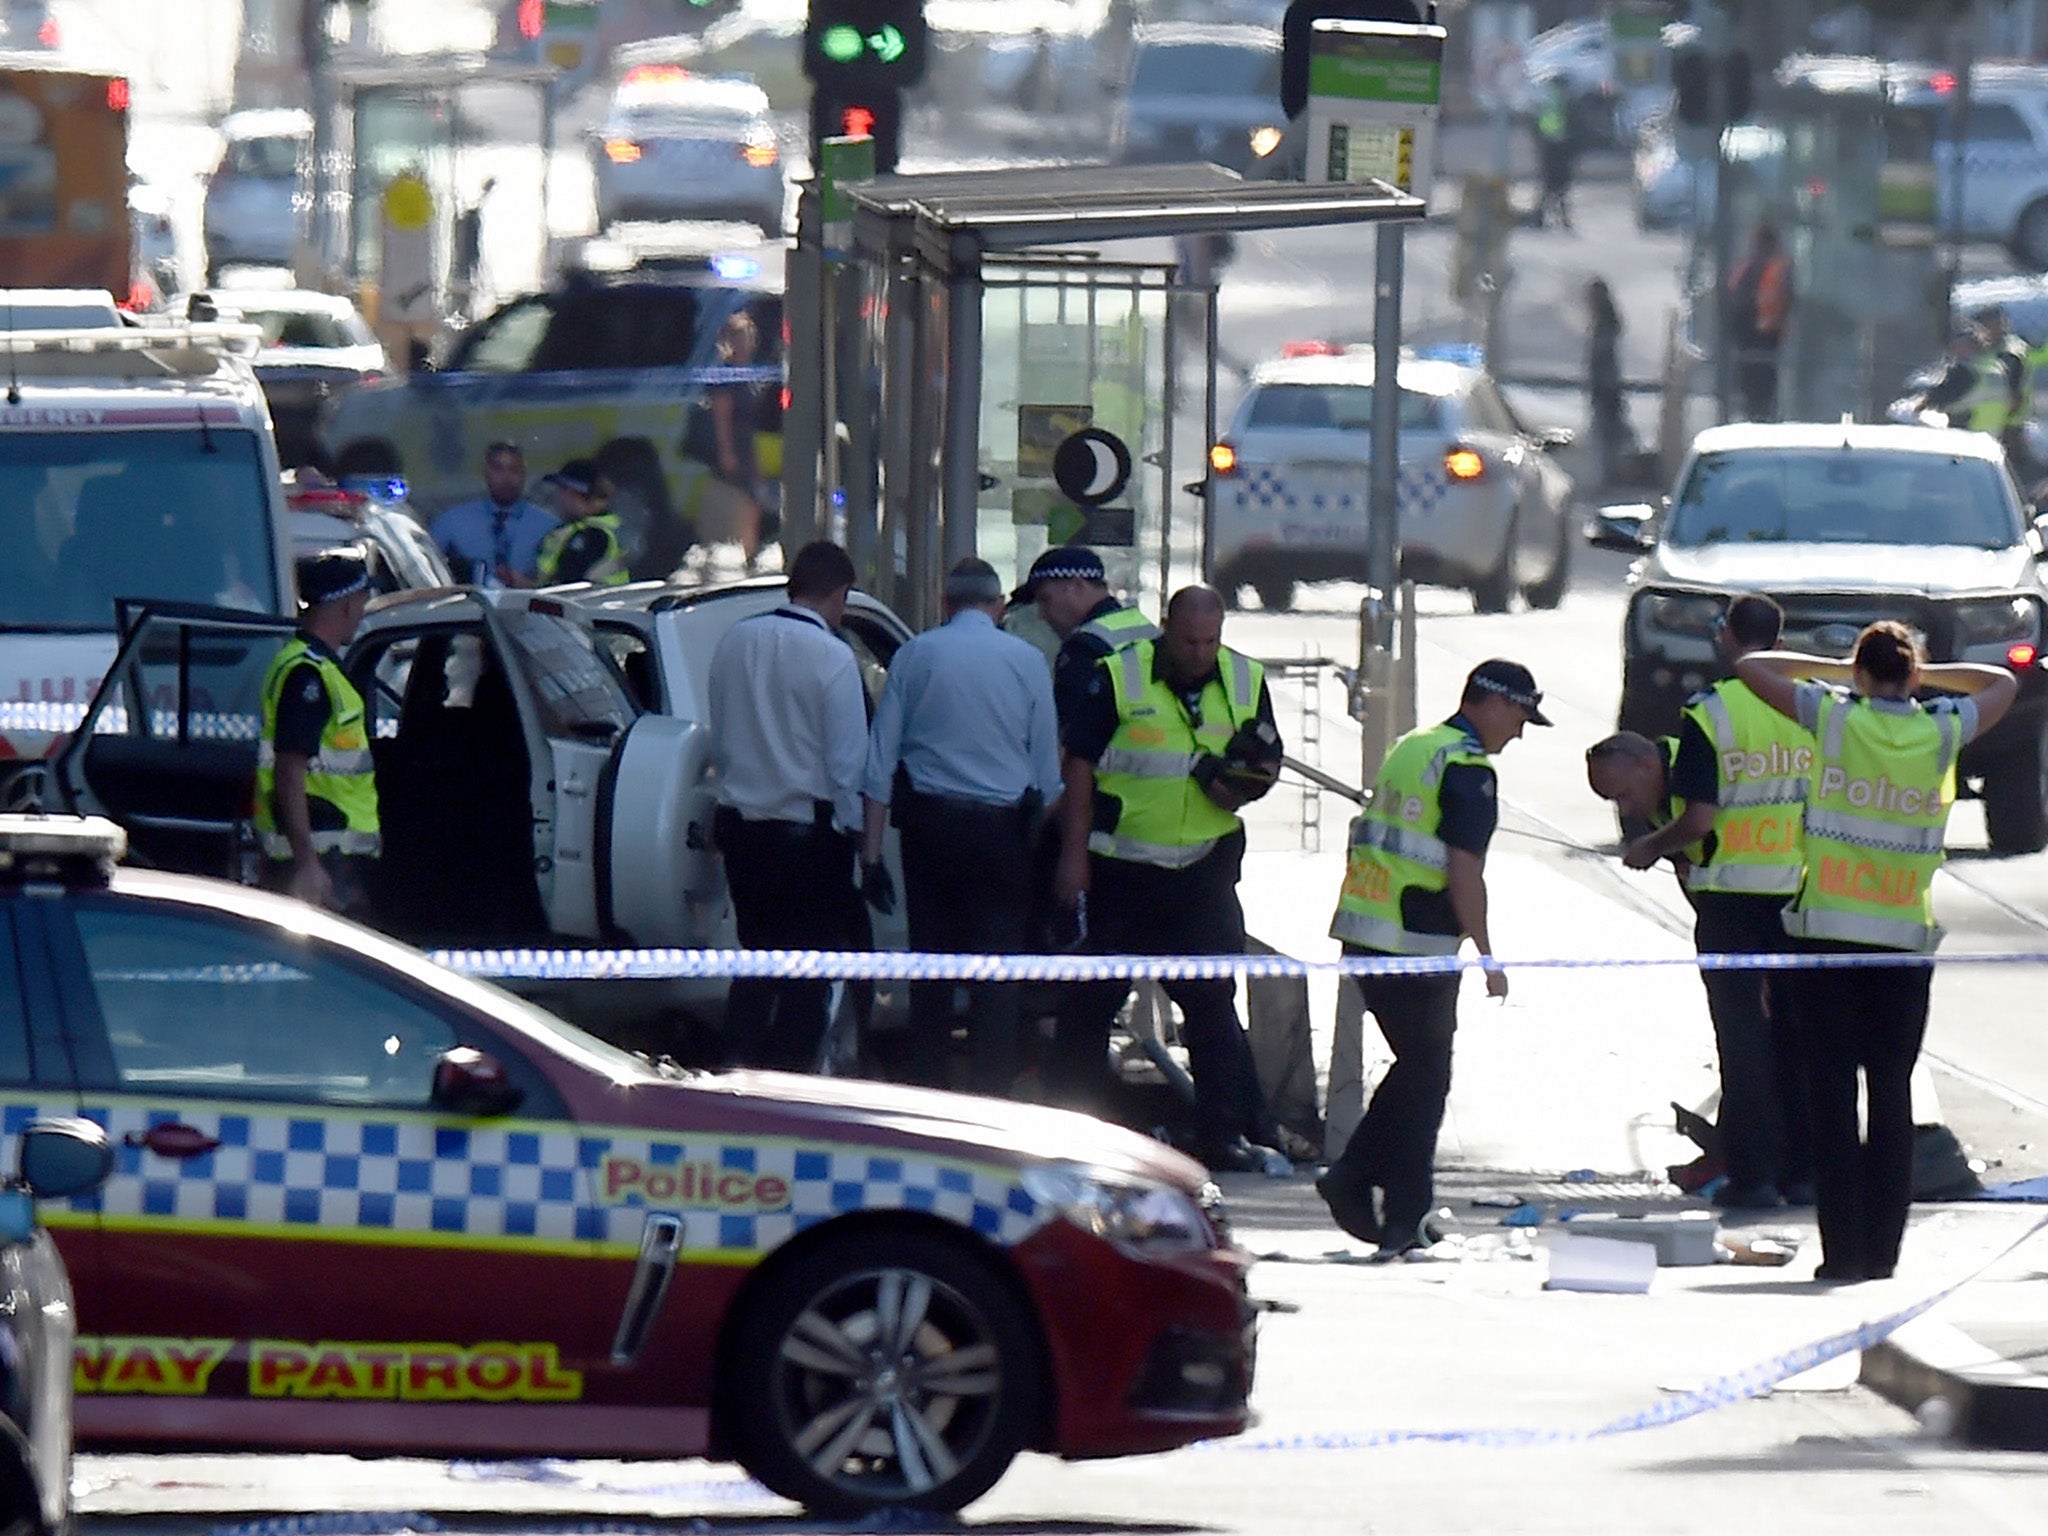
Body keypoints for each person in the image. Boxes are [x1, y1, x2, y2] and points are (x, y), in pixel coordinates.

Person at [1736, 623, 2016, 1282]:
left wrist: (1842, 671)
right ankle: (1883, 1254)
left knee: (1831, 1097)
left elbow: (1753, 665)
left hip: (1827, 938)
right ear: (1913, 675)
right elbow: (2003, 682)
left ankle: (1842, 1255)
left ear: (1860, 673)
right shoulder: (1940, 730)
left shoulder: (1834, 718)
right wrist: (1925, 676)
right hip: (1901, 941)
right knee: (1892, 1095)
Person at [1048, 585, 1286, 1173]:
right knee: (1091, 1004)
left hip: (1202, 870)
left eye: (1211, 640)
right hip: (1122, 871)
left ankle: (1222, 1136)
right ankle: (1075, 1128)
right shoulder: (1117, 676)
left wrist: (1239, 784)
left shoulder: (1244, 678)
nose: (1201, 652)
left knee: (1212, 1007)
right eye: (1189, 641)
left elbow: (1266, 764)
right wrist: (1072, 858)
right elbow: (1078, 766)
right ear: (1165, 628)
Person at [1587, 600, 1815, 1209]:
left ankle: (1756, 1177)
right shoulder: (1812, 705)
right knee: (1799, 1038)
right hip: (1802, 894)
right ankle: (1806, 1173)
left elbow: (1703, 816)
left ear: (1727, 639)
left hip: (1734, 902)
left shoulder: (1710, 715)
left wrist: (1650, 846)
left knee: (1743, 1042)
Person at [1317, 660, 1548, 1259]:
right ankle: (1387, 1204)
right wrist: (1489, 953)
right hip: (1413, 939)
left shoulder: (1417, 746)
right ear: (1491, 703)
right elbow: (1463, 869)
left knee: (1418, 1071)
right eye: (1520, 717)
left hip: (1370, 929)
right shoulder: (1468, 769)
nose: (1519, 733)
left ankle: (1380, 1195)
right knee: (1425, 1077)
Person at [860, 558, 1064, 1093]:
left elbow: (879, 764)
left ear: (945, 604)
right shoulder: (1026, 661)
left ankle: (928, 1093)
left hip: (930, 832)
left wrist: (871, 856)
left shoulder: (914, 655)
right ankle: (989, 1099)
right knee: (997, 982)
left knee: (930, 972)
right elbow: (1046, 772)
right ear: (998, 606)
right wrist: (1032, 844)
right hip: (1001, 834)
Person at [706, 540, 871, 1072]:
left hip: (741, 832)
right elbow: (847, 765)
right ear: (840, 594)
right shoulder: (834, 657)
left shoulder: (734, 641)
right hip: (809, 837)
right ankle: (792, 1087)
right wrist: (862, 844)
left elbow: (721, 727)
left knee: (754, 964)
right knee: (806, 976)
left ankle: (735, 1073)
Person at [255, 549, 379, 916]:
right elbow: (289, 769)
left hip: (330, 857)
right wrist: (308, 863)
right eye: (360, 601)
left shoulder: (307, 665)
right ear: (345, 606)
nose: (361, 611)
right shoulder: (308, 675)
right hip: (323, 861)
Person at [428, 441, 555, 588]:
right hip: (466, 606)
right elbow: (428, 569)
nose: (506, 477)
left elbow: (560, 584)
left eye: (514, 470)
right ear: (486, 473)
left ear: (524, 474)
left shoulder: (548, 526)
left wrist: (529, 585)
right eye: (498, 469)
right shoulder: (452, 521)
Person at [1726, 222, 1791, 421]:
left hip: (1758, 340)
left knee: (1756, 392)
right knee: (1760, 392)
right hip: (1761, 339)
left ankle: (1758, 416)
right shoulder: (1775, 269)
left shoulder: (1748, 268)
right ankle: (1759, 416)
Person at [534, 458, 629, 586]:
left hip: (590, 604)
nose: (557, 496)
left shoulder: (592, 535)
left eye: (560, 489)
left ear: (571, 491)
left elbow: (566, 586)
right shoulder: (606, 527)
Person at [1913, 321, 2009, 436]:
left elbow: (1942, 398)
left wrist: (1921, 401)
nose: (1954, 352)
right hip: (1991, 438)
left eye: (1957, 347)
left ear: (1970, 346)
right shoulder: (1996, 367)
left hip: (1966, 436)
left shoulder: (1966, 371)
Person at [1586, 278, 1630, 486]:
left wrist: (1600, 386)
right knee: (1607, 434)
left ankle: (1612, 477)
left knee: (1607, 435)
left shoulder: (1605, 325)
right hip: (1605, 385)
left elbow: (1602, 358)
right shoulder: (1603, 324)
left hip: (1606, 387)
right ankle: (1611, 474)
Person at [1534, 76, 1575, 231]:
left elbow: (1536, 125)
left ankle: (1542, 218)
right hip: (1558, 147)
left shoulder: (1546, 101)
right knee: (1559, 187)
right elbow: (1572, 125)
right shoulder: (1563, 102)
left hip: (1549, 146)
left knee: (1550, 186)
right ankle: (1561, 219)